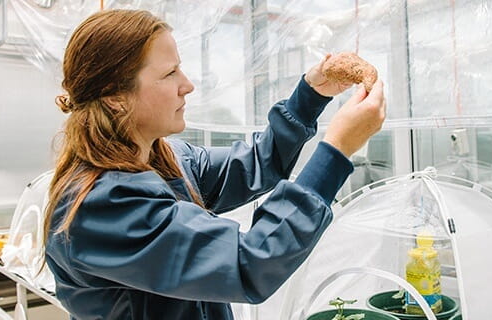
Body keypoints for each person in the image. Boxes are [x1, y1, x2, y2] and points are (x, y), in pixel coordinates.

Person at [43, 9, 386, 320]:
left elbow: (255, 164)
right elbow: (249, 262)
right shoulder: (100, 207)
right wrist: (337, 150)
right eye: (170, 73)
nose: (187, 85)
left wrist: (312, 94)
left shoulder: (171, 160)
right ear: (115, 96)